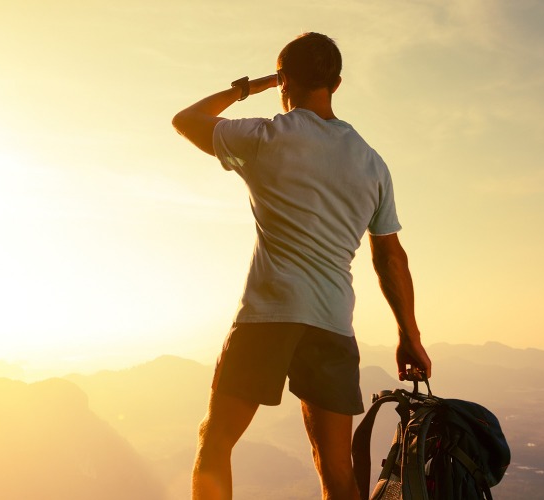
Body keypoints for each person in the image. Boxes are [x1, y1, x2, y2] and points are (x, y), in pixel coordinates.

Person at [171, 32, 433, 500]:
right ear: (337, 82)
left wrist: (250, 87)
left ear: (284, 80)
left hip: (267, 315)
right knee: (336, 471)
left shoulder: (265, 137)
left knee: (215, 444)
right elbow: (390, 256)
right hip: (332, 322)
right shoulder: (372, 164)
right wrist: (408, 336)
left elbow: (186, 120)